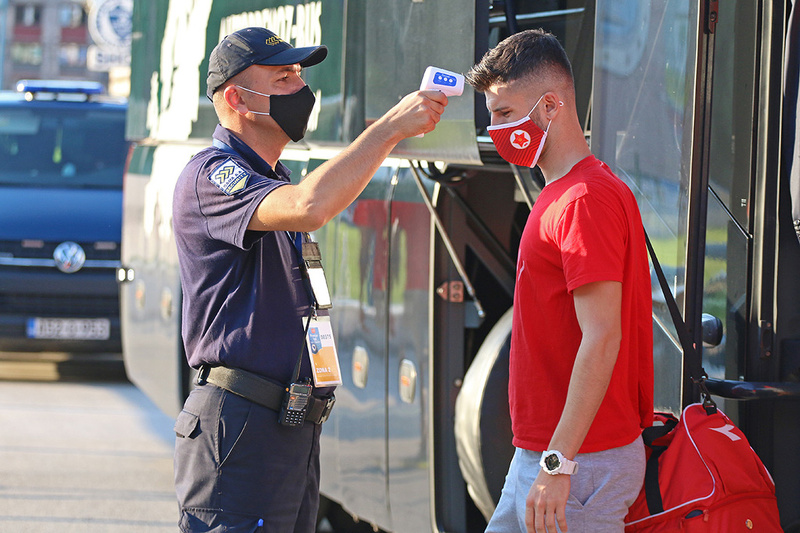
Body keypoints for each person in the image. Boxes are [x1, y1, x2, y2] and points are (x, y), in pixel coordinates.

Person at [170, 27, 447, 532]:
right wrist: (389, 128)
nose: (301, 89)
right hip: (239, 427)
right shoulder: (211, 175)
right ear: (237, 98)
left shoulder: (270, 180)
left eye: (299, 74)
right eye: (283, 77)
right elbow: (310, 207)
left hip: (290, 428)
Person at [465, 29, 653, 533]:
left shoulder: (583, 201)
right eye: (491, 117)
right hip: (557, 456)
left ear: (550, 107)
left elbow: (602, 335)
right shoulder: (565, 193)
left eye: (505, 114)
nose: (495, 130)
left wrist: (557, 464)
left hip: (578, 463)